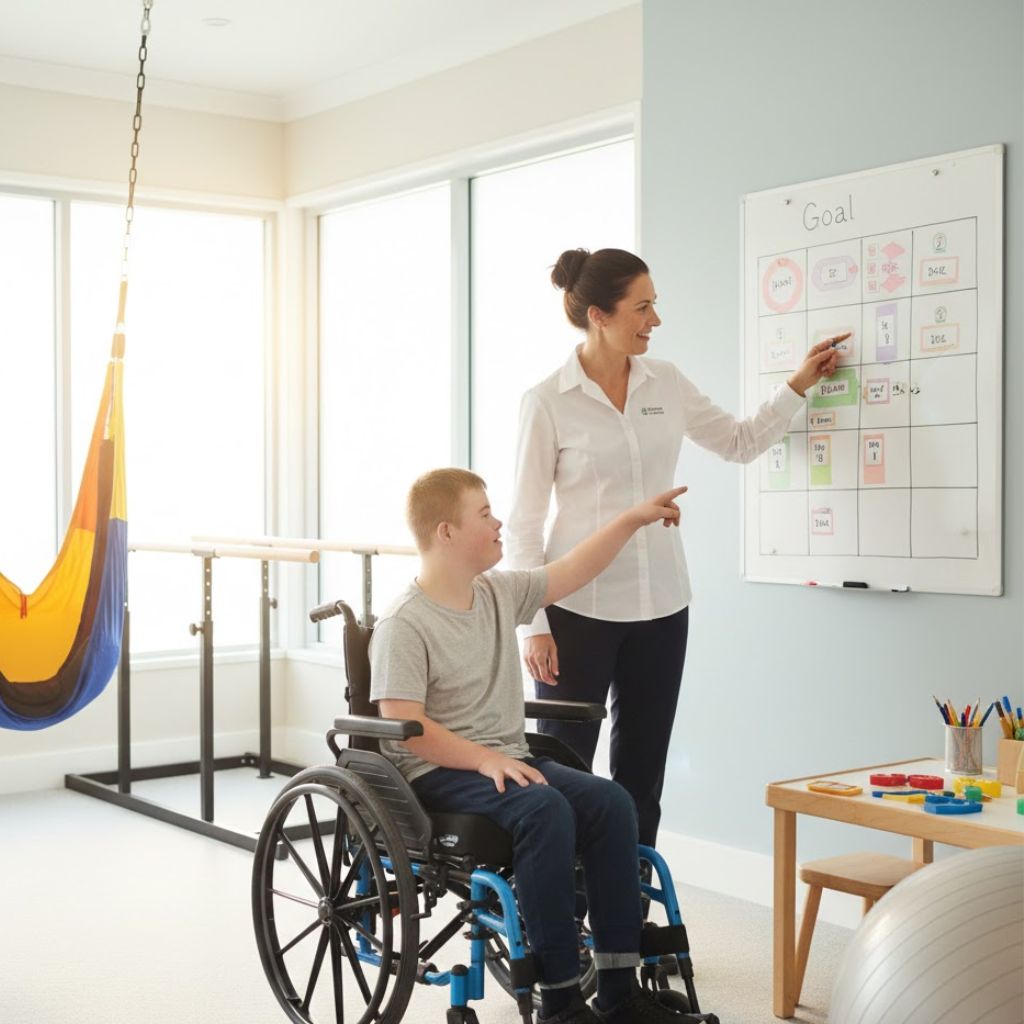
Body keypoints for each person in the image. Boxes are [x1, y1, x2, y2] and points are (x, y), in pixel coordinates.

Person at [507, 247, 846, 849]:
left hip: (662, 607)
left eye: (654, 305)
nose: (654, 320)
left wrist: (798, 384)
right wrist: (531, 624)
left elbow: (739, 442)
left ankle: (628, 916)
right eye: (642, 307)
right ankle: (557, 916)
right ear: (598, 316)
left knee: (642, 776)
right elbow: (525, 523)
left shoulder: (666, 381)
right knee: (561, 773)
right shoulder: (547, 401)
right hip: (574, 609)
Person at [370, 468, 717, 1024]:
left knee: (611, 803)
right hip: (436, 773)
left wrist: (630, 519)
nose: (498, 521)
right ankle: (559, 1001)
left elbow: (573, 570)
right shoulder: (405, 624)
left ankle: (619, 992)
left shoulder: (497, 592)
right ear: (446, 533)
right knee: (545, 810)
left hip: (508, 760)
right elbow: (405, 723)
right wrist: (485, 758)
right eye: (484, 514)